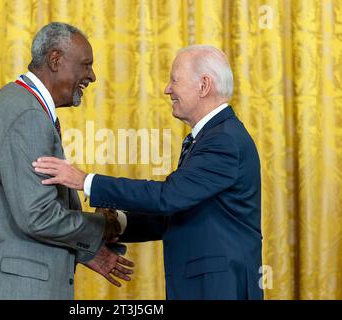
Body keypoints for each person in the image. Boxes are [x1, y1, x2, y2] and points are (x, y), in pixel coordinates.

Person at [33, 45, 263, 300]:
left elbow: (169, 196)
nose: (167, 89)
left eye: (174, 79)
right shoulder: (211, 137)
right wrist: (119, 224)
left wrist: (86, 181)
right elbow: (181, 211)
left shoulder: (223, 140)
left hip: (219, 289)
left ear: (204, 85)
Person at [0, 22, 133, 300]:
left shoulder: (20, 103)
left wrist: (85, 250)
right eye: (86, 65)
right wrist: (104, 225)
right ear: (55, 59)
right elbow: (38, 216)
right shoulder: (26, 114)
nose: (92, 76)